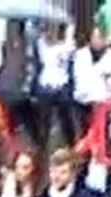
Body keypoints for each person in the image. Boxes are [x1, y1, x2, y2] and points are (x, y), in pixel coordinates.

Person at [0, 19, 41, 146]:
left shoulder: (26, 44)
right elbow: (4, 64)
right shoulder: (9, 45)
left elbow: (31, 65)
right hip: (9, 89)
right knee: (12, 124)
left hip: (18, 91)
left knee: (24, 124)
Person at [35, 22, 76, 150]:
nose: (50, 34)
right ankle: (42, 149)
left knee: (66, 120)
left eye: (54, 31)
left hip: (61, 85)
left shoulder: (66, 46)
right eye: (49, 31)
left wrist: (68, 25)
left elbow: (70, 34)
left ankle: (71, 146)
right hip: (45, 85)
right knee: (43, 123)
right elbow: (38, 35)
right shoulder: (41, 44)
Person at [72, 27, 111, 137]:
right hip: (82, 100)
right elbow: (78, 77)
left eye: (100, 38)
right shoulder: (80, 55)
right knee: (83, 133)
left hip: (103, 102)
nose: (97, 41)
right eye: (95, 37)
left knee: (101, 134)